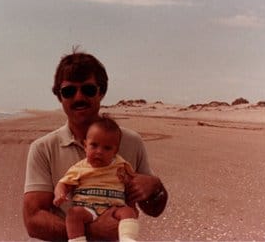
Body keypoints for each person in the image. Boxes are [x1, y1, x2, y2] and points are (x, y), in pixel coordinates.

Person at [23, 50, 168, 241]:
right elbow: (33, 220)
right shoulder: (43, 148)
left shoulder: (131, 141)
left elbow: (154, 210)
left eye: (88, 89)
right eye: (69, 91)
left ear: (101, 92)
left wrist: (156, 187)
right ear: (59, 96)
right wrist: (92, 231)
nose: (78, 97)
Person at [53, 116, 139, 242]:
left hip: (114, 208)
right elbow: (63, 183)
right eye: (94, 145)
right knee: (73, 214)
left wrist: (127, 181)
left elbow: (133, 180)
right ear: (85, 146)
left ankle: (128, 239)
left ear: (115, 151)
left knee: (128, 212)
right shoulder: (80, 167)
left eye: (107, 148)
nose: (99, 151)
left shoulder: (120, 164)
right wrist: (59, 194)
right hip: (88, 208)